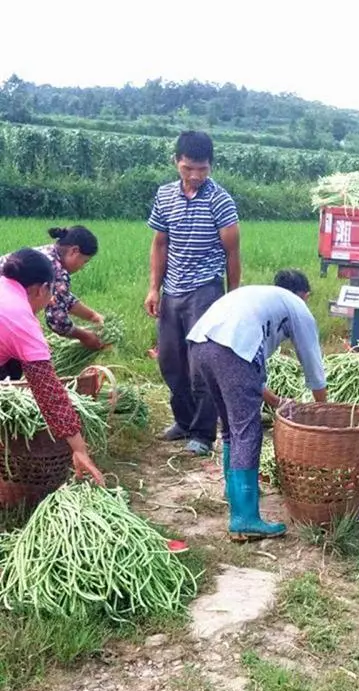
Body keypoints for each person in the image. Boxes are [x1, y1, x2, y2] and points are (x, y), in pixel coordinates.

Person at [187, 269, 327, 541]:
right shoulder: (297, 306)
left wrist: (275, 401)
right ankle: (245, 519)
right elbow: (313, 364)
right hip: (230, 348)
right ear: (305, 295)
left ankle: (235, 492)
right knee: (247, 432)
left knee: (231, 426)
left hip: (200, 345)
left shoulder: (259, 298)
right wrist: (325, 410)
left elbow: (245, 373)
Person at [144, 130, 241, 456]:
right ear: (176, 162)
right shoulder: (165, 196)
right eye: (188, 168)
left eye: (202, 168)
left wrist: (233, 297)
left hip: (206, 290)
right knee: (171, 362)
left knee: (202, 364)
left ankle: (202, 434)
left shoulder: (220, 200)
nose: (196, 175)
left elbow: (232, 253)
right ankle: (183, 422)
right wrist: (154, 288)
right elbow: (159, 243)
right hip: (172, 290)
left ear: (211, 165)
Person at [0, 248, 104, 484]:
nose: (52, 300)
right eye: (51, 292)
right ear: (40, 288)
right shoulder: (19, 317)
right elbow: (49, 393)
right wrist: (79, 449)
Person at [0, 226, 106, 353]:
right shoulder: (56, 270)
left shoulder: (46, 253)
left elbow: (62, 298)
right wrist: (85, 336)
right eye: (84, 261)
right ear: (74, 251)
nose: (82, 267)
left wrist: (92, 316)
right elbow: (57, 320)